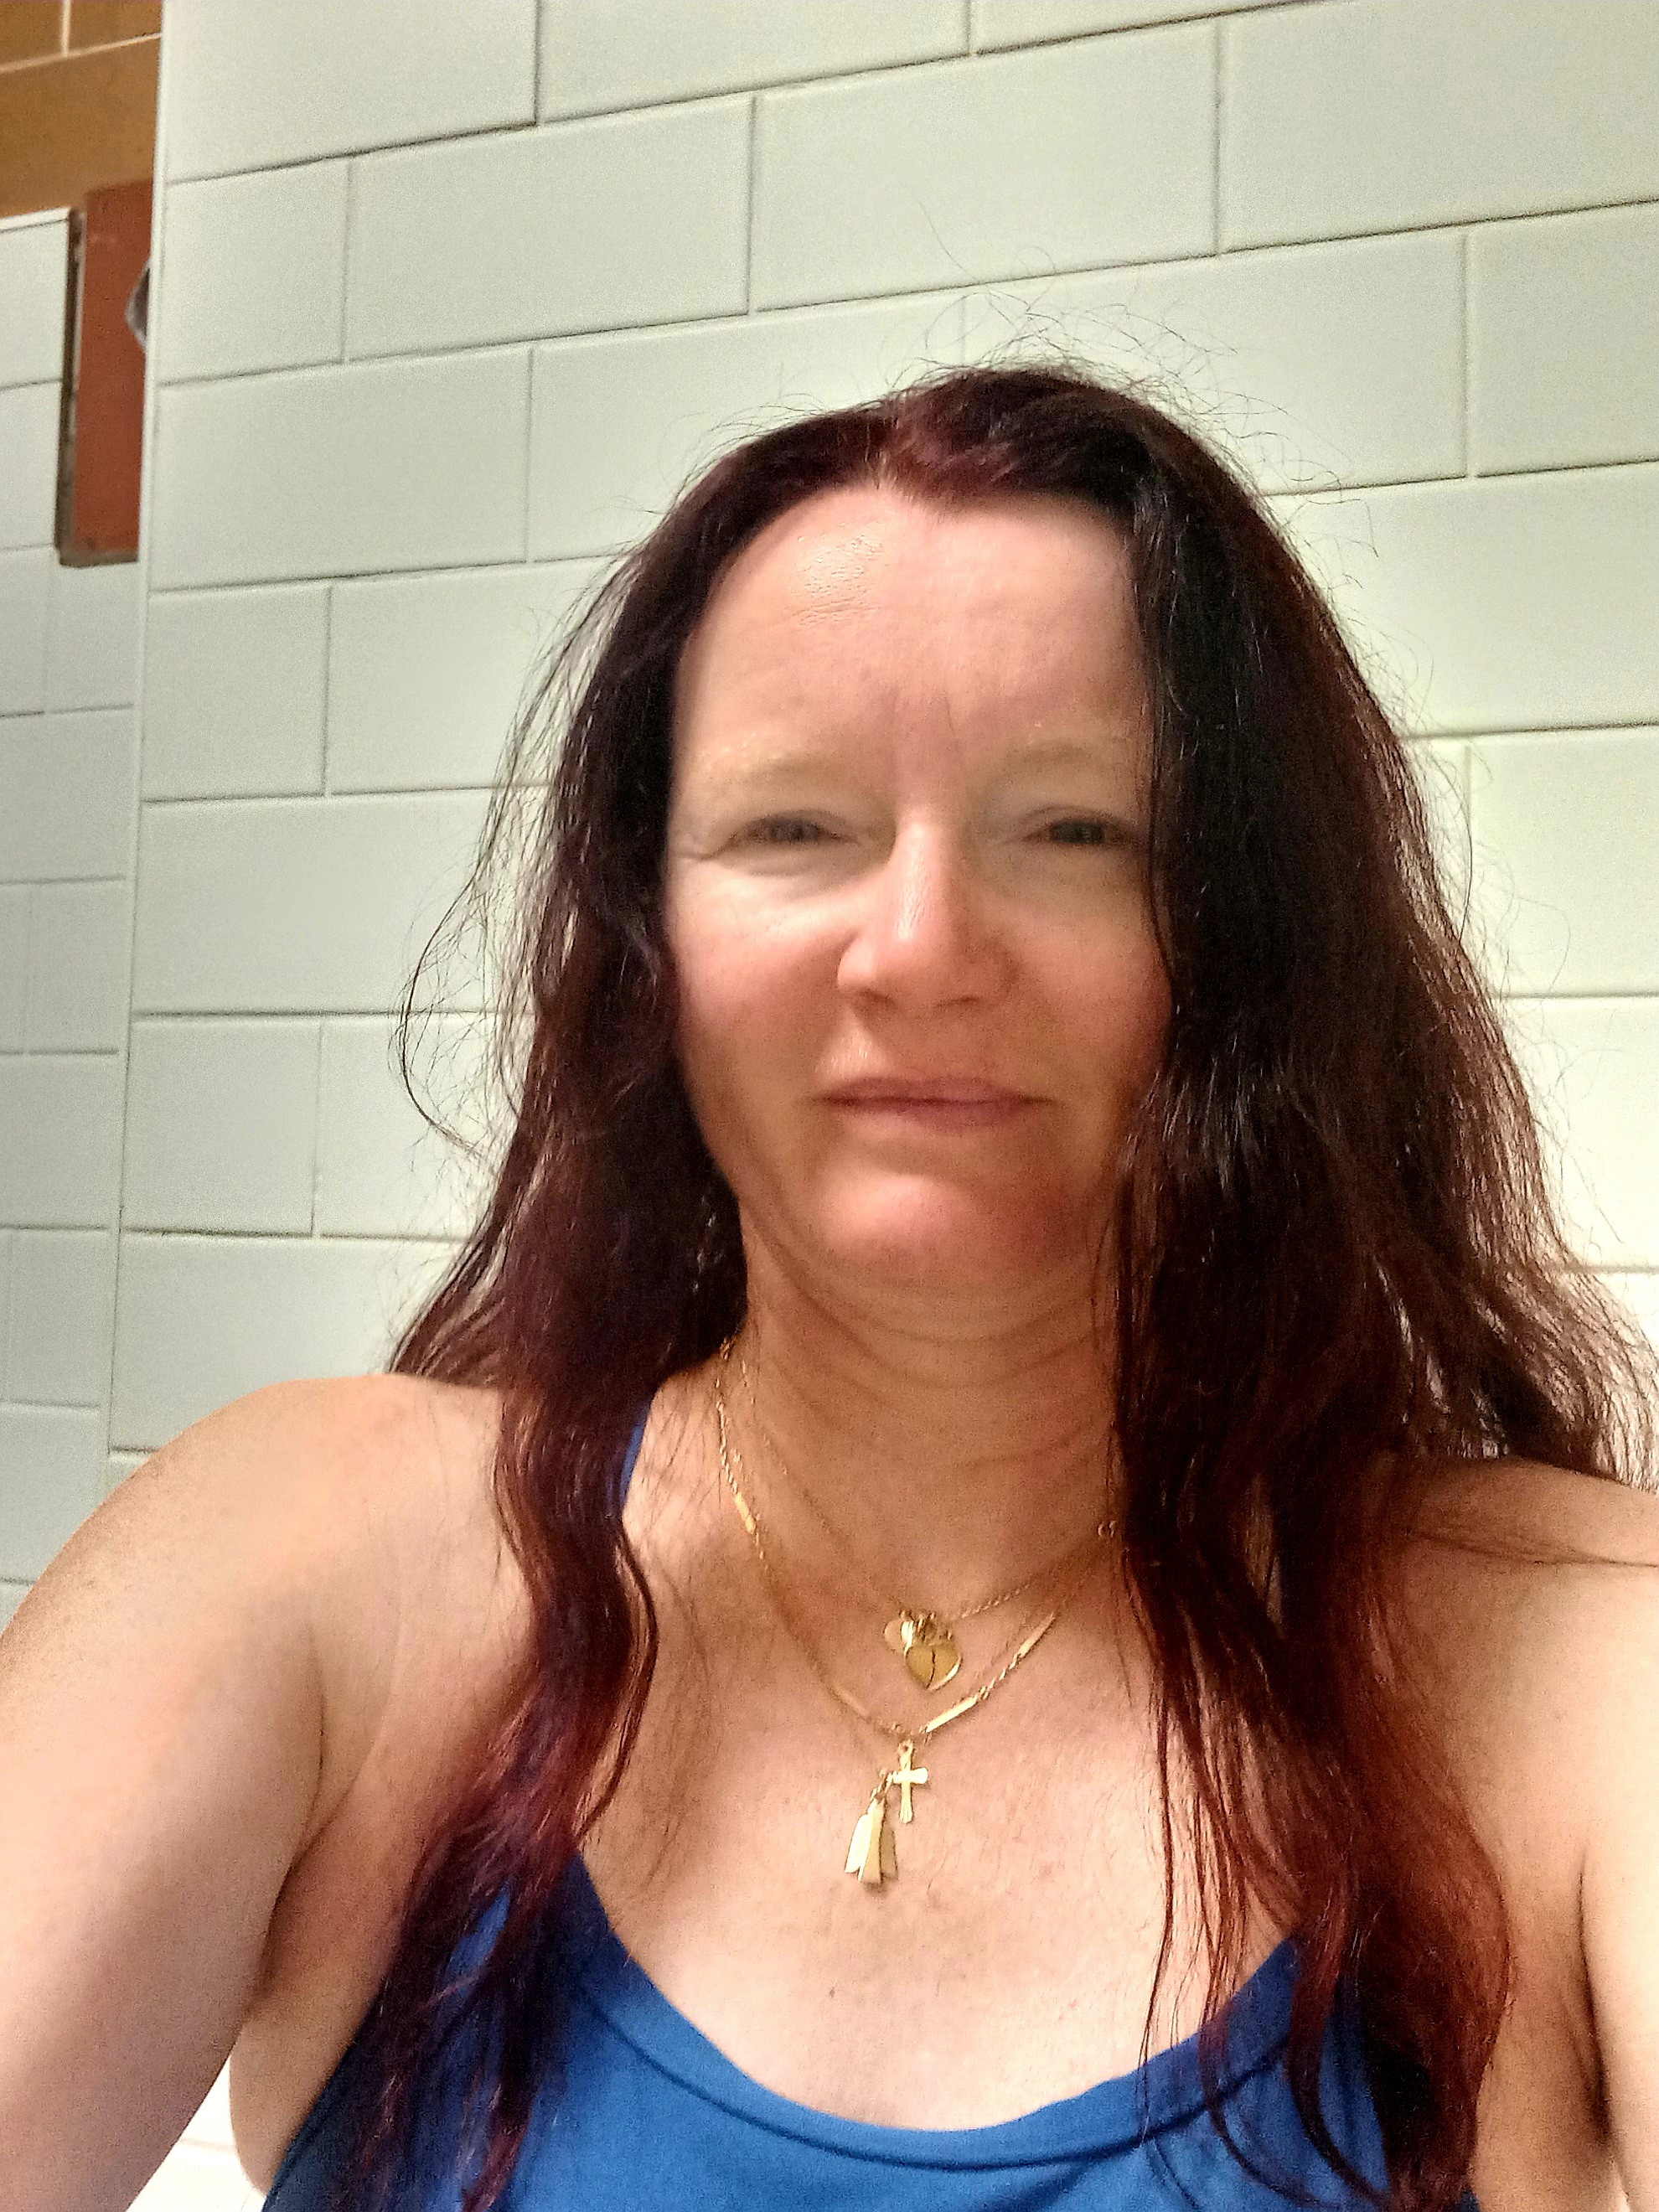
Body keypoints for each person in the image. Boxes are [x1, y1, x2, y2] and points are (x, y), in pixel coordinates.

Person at [3, 360, 1656, 2212]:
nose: (921, 949)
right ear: (650, 941)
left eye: (1077, 830)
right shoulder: (314, 1569)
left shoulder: (1589, 1664)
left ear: (1259, 935)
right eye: (793, 828)